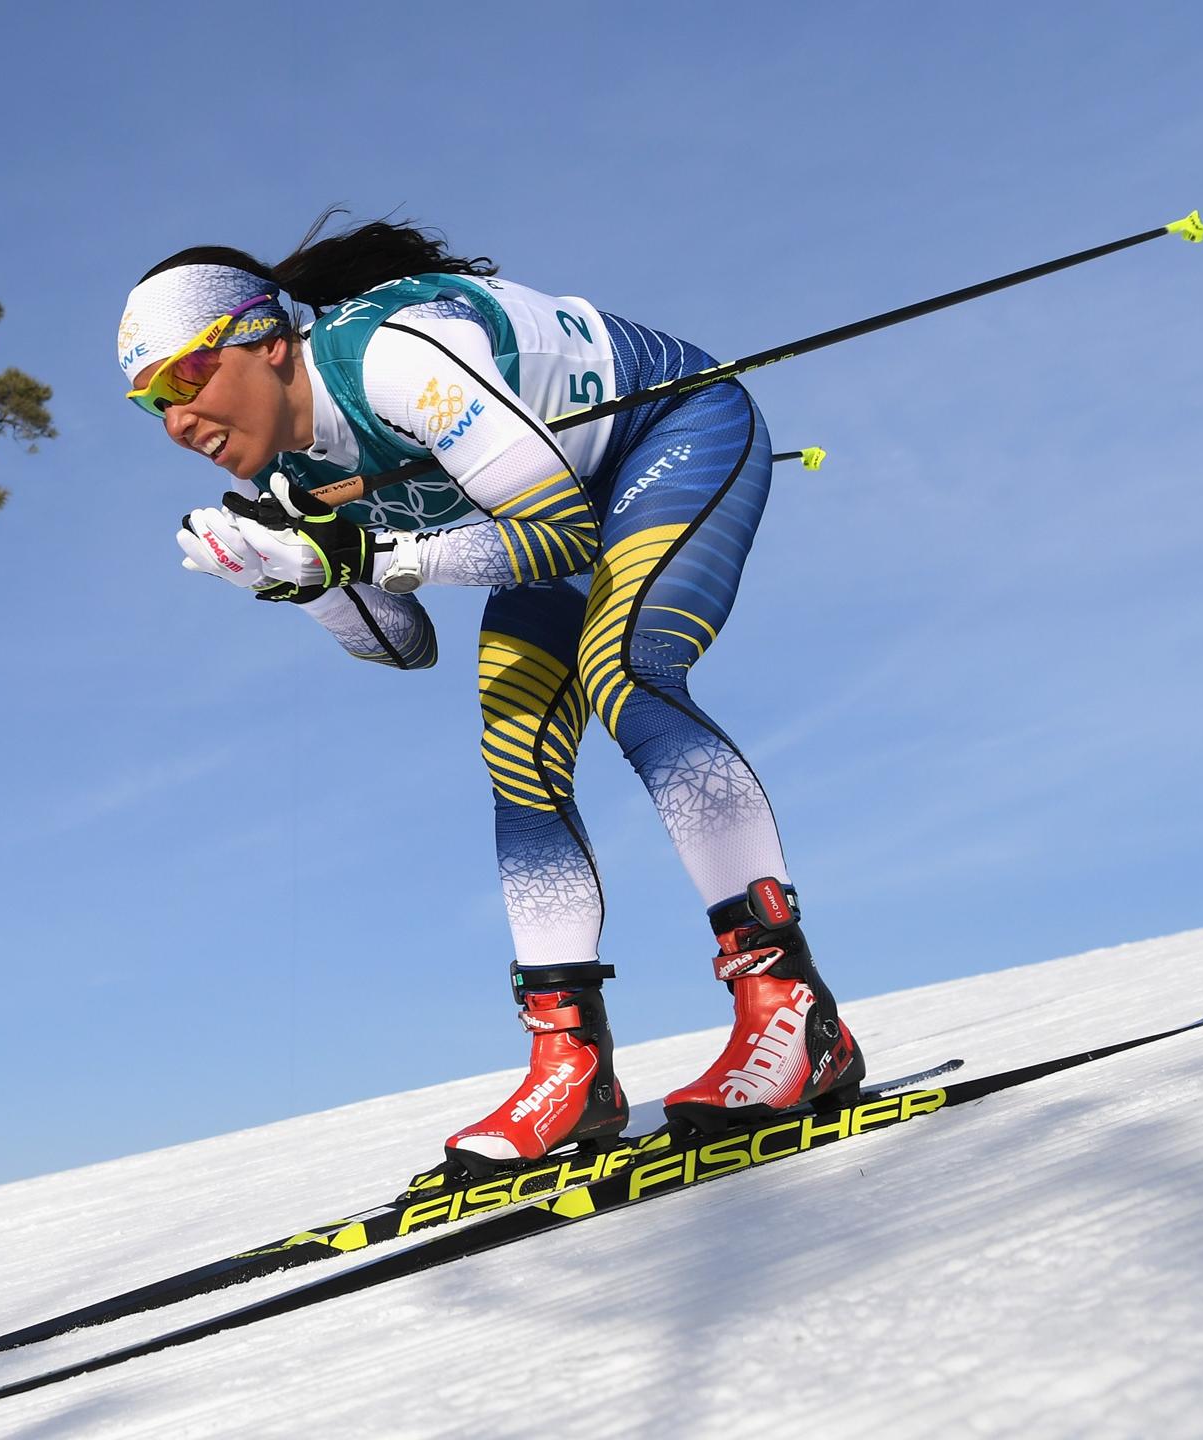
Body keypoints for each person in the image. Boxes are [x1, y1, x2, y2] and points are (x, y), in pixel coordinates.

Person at [118, 218, 864, 1177]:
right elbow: (398, 642)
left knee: (625, 668)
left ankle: (790, 1008)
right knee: (517, 750)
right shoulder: (291, 480)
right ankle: (571, 1065)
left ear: (266, 340)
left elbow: (555, 536)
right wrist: (295, 579)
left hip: (669, 435)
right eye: (150, 405)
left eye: (184, 377)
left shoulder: (392, 359)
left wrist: (368, 552)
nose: (176, 420)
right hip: (551, 507)